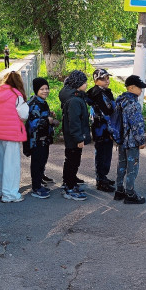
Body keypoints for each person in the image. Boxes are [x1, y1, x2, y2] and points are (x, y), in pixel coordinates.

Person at [0, 71, 28, 203]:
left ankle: (0, 189)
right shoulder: (16, 94)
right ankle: (10, 194)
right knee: (11, 165)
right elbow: (24, 114)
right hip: (12, 134)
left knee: (0, 162)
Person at [113, 75, 146, 205]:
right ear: (131, 87)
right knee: (132, 167)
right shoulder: (133, 104)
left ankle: (119, 190)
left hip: (121, 140)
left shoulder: (120, 100)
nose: (141, 90)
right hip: (132, 142)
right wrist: (141, 140)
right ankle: (130, 193)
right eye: (140, 88)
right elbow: (137, 124)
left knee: (121, 164)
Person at [25, 77, 59, 199]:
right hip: (37, 140)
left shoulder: (42, 102)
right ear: (36, 90)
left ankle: (39, 182)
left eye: (47, 88)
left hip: (44, 139)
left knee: (42, 161)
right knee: (37, 163)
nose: (45, 91)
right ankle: (36, 187)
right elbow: (33, 123)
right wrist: (48, 120)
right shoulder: (34, 104)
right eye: (42, 89)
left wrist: (49, 115)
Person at [59, 70, 91, 201]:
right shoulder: (74, 100)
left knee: (71, 159)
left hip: (71, 136)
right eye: (85, 82)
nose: (86, 84)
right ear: (79, 83)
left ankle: (69, 182)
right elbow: (74, 121)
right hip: (74, 137)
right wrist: (79, 138)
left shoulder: (74, 96)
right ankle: (69, 187)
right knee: (73, 161)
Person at [86, 68, 116, 193]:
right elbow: (109, 109)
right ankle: (101, 180)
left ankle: (103, 177)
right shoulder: (98, 93)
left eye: (108, 78)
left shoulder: (103, 91)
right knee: (102, 154)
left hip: (104, 127)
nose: (107, 81)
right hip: (101, 129)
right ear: (96, 80)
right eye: (104, 79)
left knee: (105, 153)